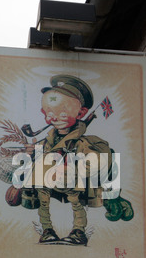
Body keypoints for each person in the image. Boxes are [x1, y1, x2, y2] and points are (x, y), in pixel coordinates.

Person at [28, 75, 113, 246]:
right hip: (47, 181)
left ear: (81, 113)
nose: (53, 118)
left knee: (75, 201)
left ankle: (79, 230)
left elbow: (98, 161)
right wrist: (33, 154)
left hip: (71, 181)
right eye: (48, 113)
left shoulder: (84, 142)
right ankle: (47, 230)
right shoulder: (48, 140)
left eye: (62, 112)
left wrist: (74, 170)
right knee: (42, 196)